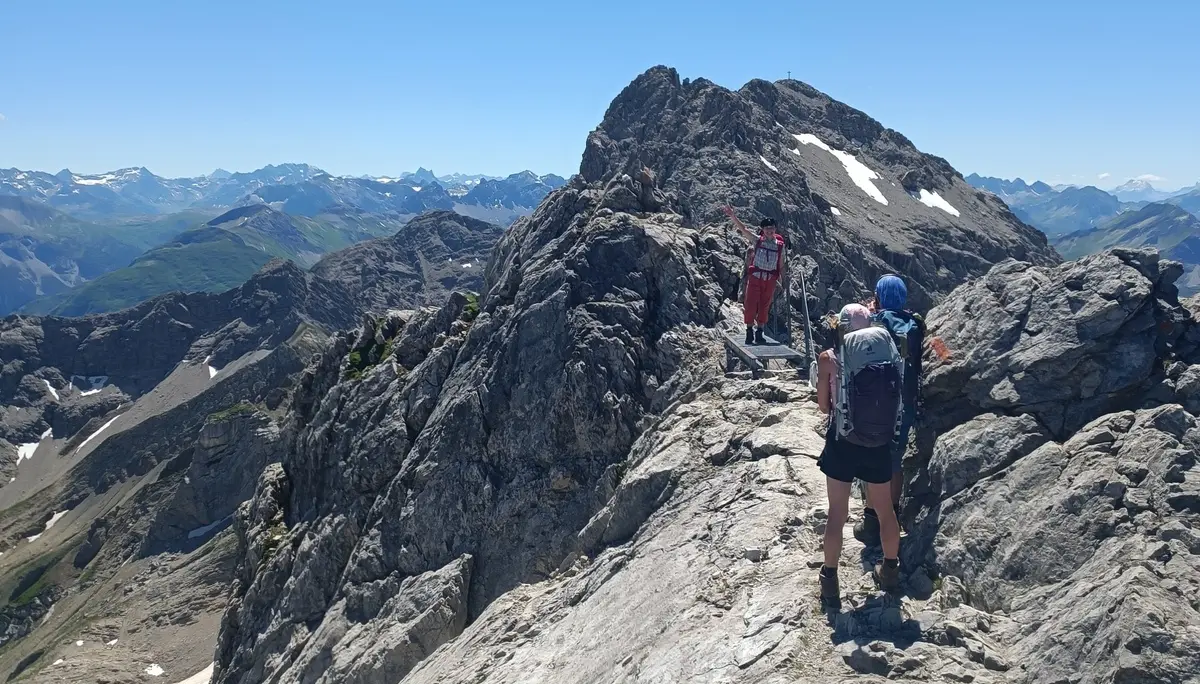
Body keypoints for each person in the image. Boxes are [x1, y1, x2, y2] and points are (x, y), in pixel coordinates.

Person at [816, 303, 903, 608]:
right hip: (879, 441)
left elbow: (824, 407)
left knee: (837, 513)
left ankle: (829, 580)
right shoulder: (886, 352)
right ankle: (890, 571)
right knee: (884, 511)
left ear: (841, 325)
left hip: (843, 441)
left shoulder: (829, 358)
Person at [855, 274, 926, 546]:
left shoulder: (876, 322)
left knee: (874, 457)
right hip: (905, 400)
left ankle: (872, 522)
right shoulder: (916, 324)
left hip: (875, 401)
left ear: (880, 295)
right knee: (895, 458)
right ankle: (892, 516)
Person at [722, 206, 786, 345]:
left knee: (764, 305)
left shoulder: (780, 245)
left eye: (772, 228)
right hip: (756, 277)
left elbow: (781, 264)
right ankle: (749, 330)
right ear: (762, 230)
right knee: (750, 304)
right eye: (767, 228)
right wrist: (733, 216)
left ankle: (760, 332)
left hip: (770, 279)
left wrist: (783, 279)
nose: (770, 230)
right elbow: (744, 229)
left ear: (775, 229)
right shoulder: (758, 240)